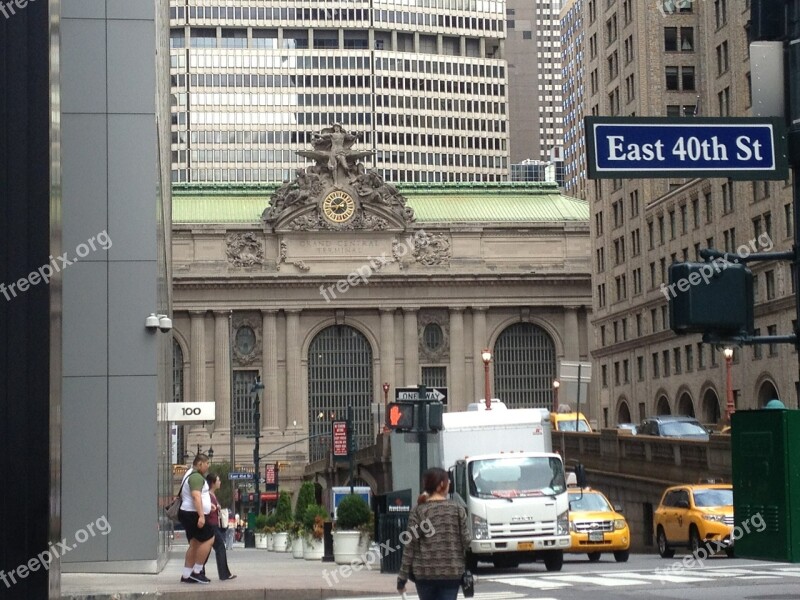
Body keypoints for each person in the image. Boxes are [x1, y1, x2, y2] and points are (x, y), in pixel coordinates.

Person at [397, 468, 471, 600]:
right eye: (448, 481)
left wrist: (402, 579)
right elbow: (466, 541)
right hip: (451, 573)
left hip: (424, 574)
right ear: (441, 485)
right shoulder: (457, 509)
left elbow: (409, 546)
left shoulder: (419, 511)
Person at [177, 454, 215, 584]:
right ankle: (197, 571)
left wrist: (208, 505)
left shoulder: (189, 473)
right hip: (192, 514)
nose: (207, 466)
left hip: (187, 513)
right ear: (199, 464)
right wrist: (201, 516)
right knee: (209, 538)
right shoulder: (196, 477)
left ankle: (186, 575)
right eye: (206, 464)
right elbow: (196, 497)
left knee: (194, 544)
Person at [204, 473, 236, 581]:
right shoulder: (208, 495)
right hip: (211, 525)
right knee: (220, 547)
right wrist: (215, 507)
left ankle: (199, 570)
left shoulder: (212, 495)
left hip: (214, 524)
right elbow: (206, 509)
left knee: (208, 549)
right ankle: (224, 574)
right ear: (213, 483)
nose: (220, 482)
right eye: (218, 480)